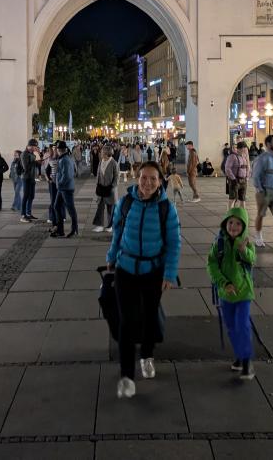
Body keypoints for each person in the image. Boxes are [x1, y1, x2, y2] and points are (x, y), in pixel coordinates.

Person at [107, 161, 181, 399]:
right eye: (144, 178)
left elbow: (174, 243)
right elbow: (117, 232)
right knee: (127, 321)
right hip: (125, 268)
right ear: (137, 178)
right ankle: (127, 375)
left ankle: (147, 355)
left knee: (149, 317)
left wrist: (169, 273)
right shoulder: (125, 202)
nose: (148, 183)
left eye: (153, 179)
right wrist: (111, 257)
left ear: (160, 182)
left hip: (153, 271)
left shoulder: (166, 208)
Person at [207, 206, 257, 380]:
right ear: (225, 224)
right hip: (225, 293)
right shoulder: (218, 243)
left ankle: (246, 361)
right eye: (230, 222)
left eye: (238, 223)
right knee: (231, 327)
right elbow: (211, 264)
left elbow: (252, 259)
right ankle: (239, 354)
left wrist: (243, 251)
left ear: (244, 226)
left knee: (242, 324)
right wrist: (224, 283)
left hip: (244, 293)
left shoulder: (246, 243)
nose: (234, 226)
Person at [251, 134, 273, 249]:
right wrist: (260, 190)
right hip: (264, 191)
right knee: (261, 215)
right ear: (267, 144)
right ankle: (258, 237)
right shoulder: (262, 158)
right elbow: (255, 176)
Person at [51, 141, 79, 238]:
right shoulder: (64, 158)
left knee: (71, 209)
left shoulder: (65, 160)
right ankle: (60, 230)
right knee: (56, 206)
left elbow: (67, 176)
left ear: (59, 150)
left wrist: (59, 184)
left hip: (65, 188)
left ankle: (74, 229)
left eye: (56, 149)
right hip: (63, 188)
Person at [92, 144, 118, 233]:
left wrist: (112, 187)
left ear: (107, 153)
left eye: (102, 152)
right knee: (100, 207)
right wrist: (97, 184)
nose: (101, 153)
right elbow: (98, 174)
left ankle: (110, 225)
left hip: (109, 189)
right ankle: (99, 225)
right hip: (101, 188)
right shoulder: (101, 161)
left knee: (110, 208)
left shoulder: (113, 163)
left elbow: (117, 177)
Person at [19, 139, 40, 222]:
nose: (35, 148)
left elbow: (37, 164)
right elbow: (26, 167)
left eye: (36, 146)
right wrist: (34, 159)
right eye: (34, 146)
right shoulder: (24, 154)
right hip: (26, 178)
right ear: (29, 146)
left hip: (32, 178)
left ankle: (28, 213)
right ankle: (23, 215)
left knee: (31, 196)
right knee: (26, 196)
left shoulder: (32, 154)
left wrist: (37, 157)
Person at [225, 141, 250, 209]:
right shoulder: (232, 156)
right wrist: (233, 179)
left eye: (245, 149)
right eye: (244, 149)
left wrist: (247, 177)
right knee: (232, 199)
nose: (245, 150)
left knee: (242, 199)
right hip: (235, 181)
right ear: (239, 149)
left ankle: (242, 217)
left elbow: (247, 168)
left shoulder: (244, 157)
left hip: (243, 181)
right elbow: (227, 168)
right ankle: (230, 215)